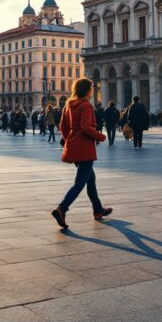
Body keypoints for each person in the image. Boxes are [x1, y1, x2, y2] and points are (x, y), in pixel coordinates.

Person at [51, 78, 112, 230]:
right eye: (91, 88)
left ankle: (98, 209)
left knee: (90, 179)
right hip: (85, 149)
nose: (93, 90)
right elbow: (85, 127)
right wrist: (100, 136)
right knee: (80, 182)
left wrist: (69, 140)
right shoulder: (86, 106)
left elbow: (62, 126)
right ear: (87, 90)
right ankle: (62, 208)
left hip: (74, 148)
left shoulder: (69, 104)